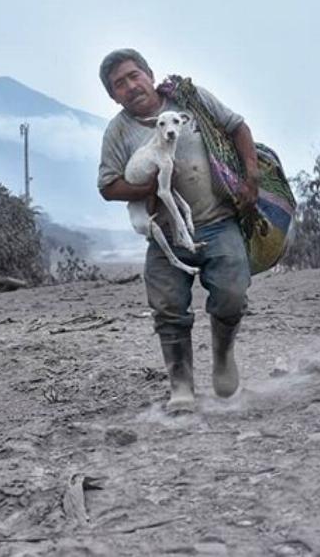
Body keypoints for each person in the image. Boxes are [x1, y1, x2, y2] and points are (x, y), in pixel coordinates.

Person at [97, 49, 259, 412]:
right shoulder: (118, 132)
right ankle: (181, 386)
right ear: (112, 96)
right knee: (168, 306)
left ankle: (222, 359)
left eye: (134, 75)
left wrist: (251, 177)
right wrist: (146, 189)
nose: (130, 86)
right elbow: (107, 185)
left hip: (218, 220)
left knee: (232, 295)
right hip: (165, 233)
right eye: (119, 84)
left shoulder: (190, 99)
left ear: (149, 74)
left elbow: (238, 127)